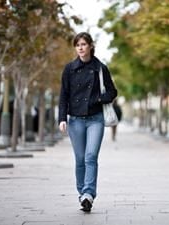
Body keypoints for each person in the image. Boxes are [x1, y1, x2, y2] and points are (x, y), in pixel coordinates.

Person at [58, 32, 117, 212]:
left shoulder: (100, 68)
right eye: (78, 45)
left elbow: (112, 92)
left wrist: (99, 99)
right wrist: (61, 118)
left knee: (91, 156)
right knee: (80, 159)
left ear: (90, 46)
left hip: (95, 119)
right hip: (75, 120)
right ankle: (82, 193)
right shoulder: (69, 69)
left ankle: (89, 194)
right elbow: (64, 96)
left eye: (84, 44)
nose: (81, 48)